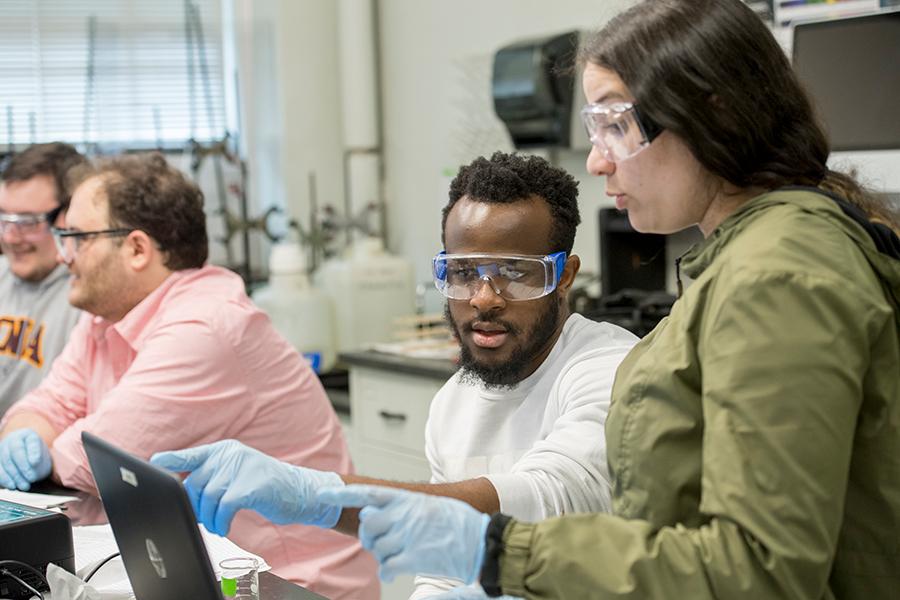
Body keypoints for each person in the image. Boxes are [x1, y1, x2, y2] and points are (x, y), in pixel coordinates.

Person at [314, 1, 900, 598]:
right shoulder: (747, 262)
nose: (596, 159)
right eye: (594, 131)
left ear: (713, 116)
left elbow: (756, 573)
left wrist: (493, 549)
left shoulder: (777, 276)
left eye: (615, 125)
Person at [151, 152, 638, 597]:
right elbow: (445, 573)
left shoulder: (610, 369)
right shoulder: (455, 402)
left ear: (565, 275)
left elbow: (548, 497)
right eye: (463, 271)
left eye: (514, 270)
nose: (484, 297)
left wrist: (322, 496)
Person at [0, 153, 377, 600]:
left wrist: (42, 445)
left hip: (290, 583)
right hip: (190, 569)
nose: (66, 256)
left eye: (78, 238)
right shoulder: (105, 314)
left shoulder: (208, 327)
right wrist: (26, 431)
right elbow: (47, 403)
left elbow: (99, 458)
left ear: (138, 249)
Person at [0, 143, 86, 416]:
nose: (10, 237)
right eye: (4, 218)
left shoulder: (88, 297)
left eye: (28, 221)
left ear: (68, 216)